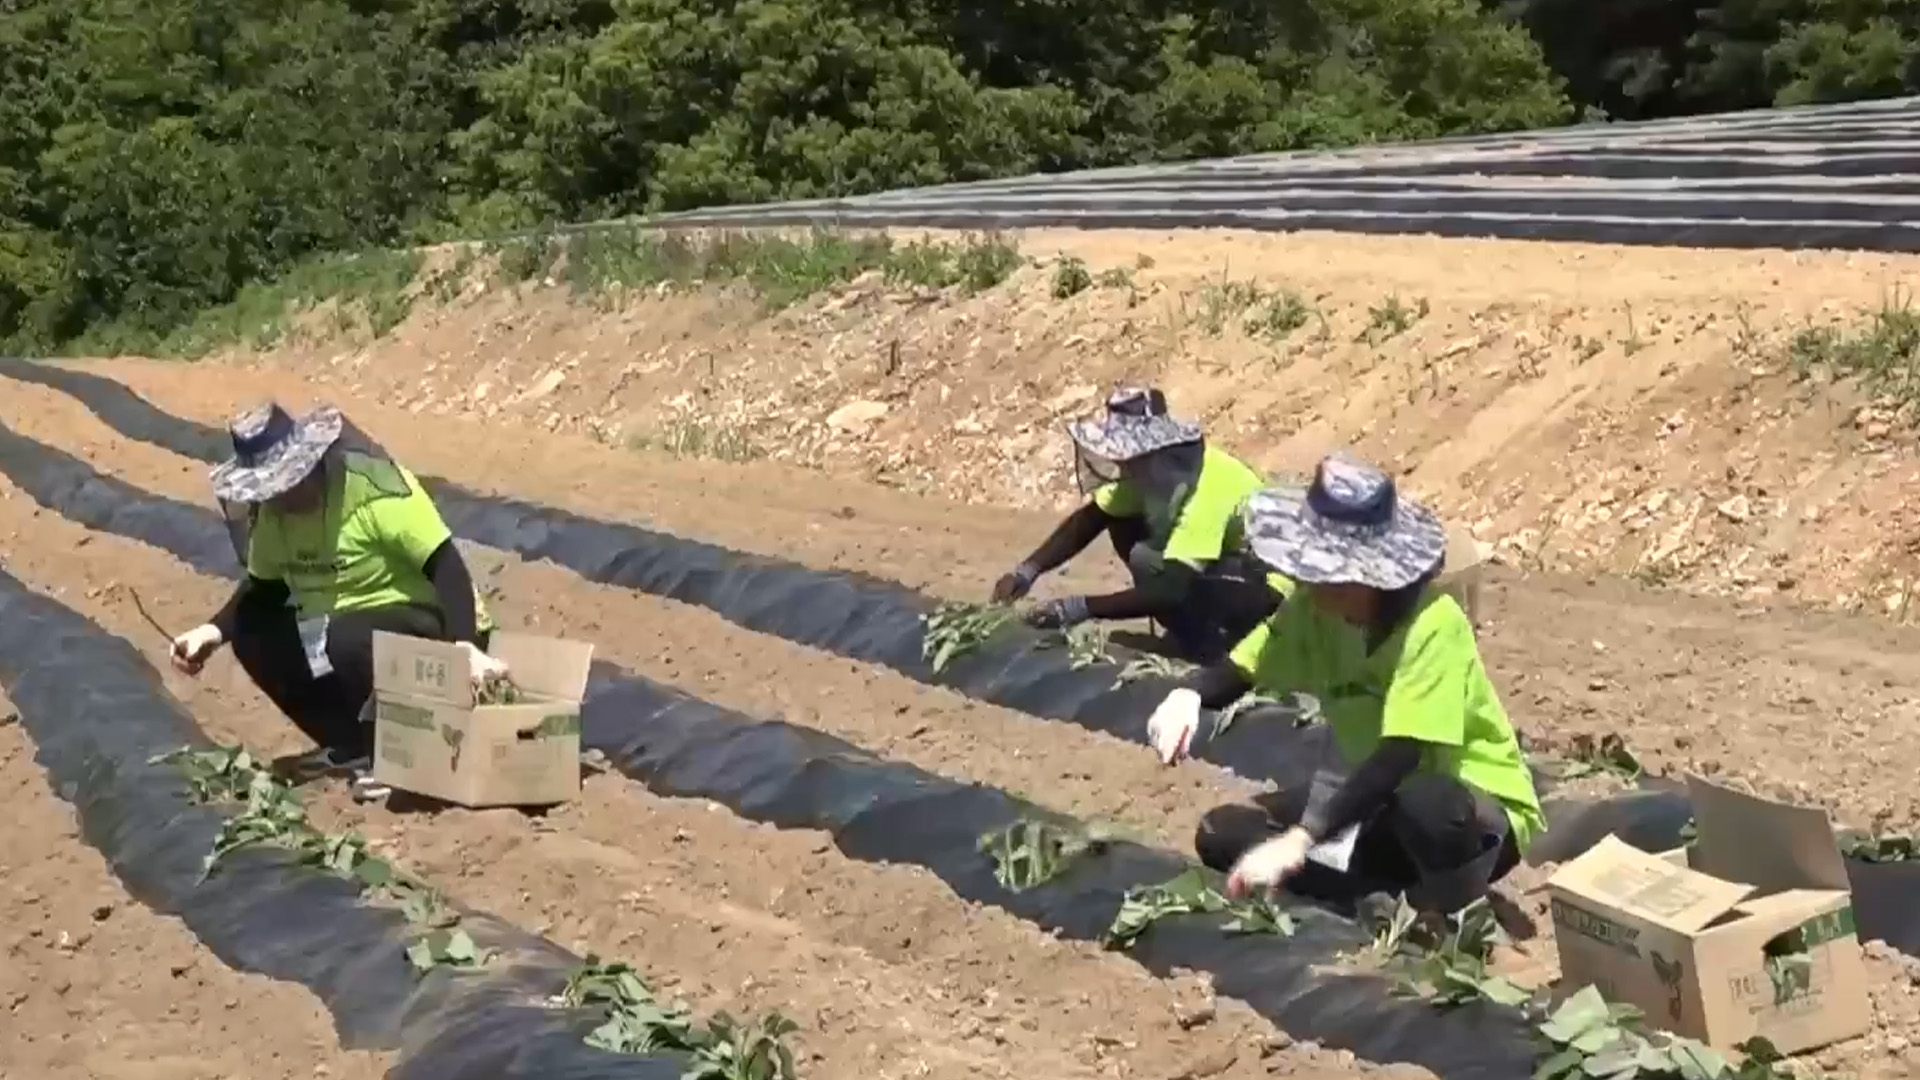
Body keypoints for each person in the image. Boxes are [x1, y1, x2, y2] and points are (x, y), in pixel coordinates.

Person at [1143, 451, 1544, 915]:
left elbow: (1401, 755)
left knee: (1428, 803)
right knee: (1223, 833)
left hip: (1472, 814)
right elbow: (1244, 667)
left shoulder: (1433, 625)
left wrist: (1304, 836)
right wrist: (1189, 694)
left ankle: (1447, 912)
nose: (1312, 583)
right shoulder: (1313, 609)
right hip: (1376, 807)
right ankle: (1380, 898)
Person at [169, 401, 506, 801]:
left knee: (346, 636)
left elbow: (446, 567)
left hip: (433, 623)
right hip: (348, 635)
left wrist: (464, 647)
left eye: (290, 482)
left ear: (312, 462)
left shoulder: (376, 492)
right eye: (272, 490)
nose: (284, 496)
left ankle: (405, 759)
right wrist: (211, 631)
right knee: (253, 629)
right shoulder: (274, 519)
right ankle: (354, 744)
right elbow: (262, 591)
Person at [991, 387, 1282, 664]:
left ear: (1155, 449)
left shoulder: (1209, 487)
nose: (1121, 463)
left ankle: (1218, 646)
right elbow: (1092, 518)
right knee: (1126, 528)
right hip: (1222, 571)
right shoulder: (1148, 472)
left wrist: (1079, 608)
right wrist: (1026, 572)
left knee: (1154, 565)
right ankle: (1190, 633)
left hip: (1269, 589)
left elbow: (1170, 589)